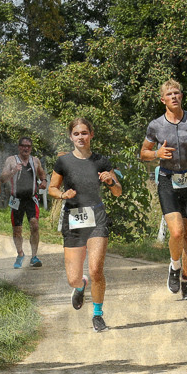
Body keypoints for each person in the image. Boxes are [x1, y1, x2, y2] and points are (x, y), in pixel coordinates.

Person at [139, 79, 187, 300]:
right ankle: (174, 266)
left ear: (181, 96)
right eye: (169, 94)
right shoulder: (156, 125)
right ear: (163, 100)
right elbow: (143, 153)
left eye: (177, 93)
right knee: (177, 232)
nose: (173, 96)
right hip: (167, 180)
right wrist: (156, 154)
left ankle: (186, 281)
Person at [48, 117, 123, 332]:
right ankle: (80, 287)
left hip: (96, 216)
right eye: (76, 133)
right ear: (70, 137)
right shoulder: (63, 161)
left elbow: (118, 192)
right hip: (73, 217)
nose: (80, 137)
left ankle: (98, 314)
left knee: (96, 269)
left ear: (91, 135)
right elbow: (52, 188)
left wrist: (110, 181)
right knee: (73, 279)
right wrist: (63, 195)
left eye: (84, 133)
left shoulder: (101, 161)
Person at [0, 136, 46, 268]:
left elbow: (41, 173)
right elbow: (2, 179)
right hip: (16, 199)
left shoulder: (35, 161)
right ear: (19, 147)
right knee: (17, 230)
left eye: (28, 146)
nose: (26, 148)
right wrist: (13, 171)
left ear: (31, 148)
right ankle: (20, 254)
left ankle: (34, 257)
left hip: (31, 198)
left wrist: (44, 181)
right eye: (23, 146)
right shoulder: (11, 160)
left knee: (34, 225)